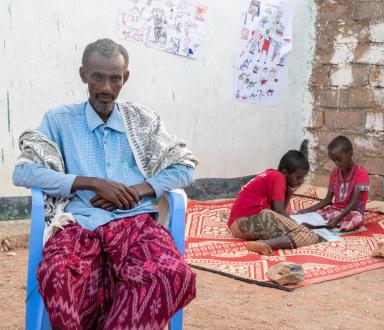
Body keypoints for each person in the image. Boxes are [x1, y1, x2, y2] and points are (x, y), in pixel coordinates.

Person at [13, 38, 198, 330]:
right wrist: (92, 183)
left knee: (171, 273)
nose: (106, 88)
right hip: (80, 224)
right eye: (98, 77)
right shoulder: (59, 120)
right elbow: (24, 172)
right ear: (84, 75)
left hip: (135, 223)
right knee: (58, 273)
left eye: (115, 79)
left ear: (126, 78)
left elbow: (184, 168)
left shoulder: (144, 121)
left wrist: (138, 190)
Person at [228, 150, 322, 255]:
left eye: (303, 178)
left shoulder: (271, 175)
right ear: (285, 172)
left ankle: (265, 242)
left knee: (292, 231)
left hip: (237, 226)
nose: (300, 181)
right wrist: (296, 225)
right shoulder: (278, 177)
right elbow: (279, 211)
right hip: (249, 219)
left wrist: (289, 192)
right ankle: (264, 243)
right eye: (298, 177)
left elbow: (278, 213)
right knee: (309, 235)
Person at [299, 135, 369, 231]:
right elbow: (328, 199)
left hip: (352, 212)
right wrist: (306, 211)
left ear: (350, 153)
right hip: (335, 210)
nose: (337, 163)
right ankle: (326, 224)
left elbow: (354, 203)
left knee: (357, 219)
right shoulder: (335, 173)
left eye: (339, 159)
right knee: (317, 214)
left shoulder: (361, 173)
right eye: (334, 161)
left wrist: (337, 218)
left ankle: (325, 225)